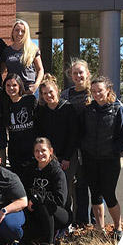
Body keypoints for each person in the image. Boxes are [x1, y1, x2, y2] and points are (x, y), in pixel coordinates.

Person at [79, 76, 123, 241]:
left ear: (108, 91)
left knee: (109, 195)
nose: (96, 94)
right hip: (90, 160)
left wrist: (114, 148)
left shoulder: (117, 110)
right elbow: (80, 132)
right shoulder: (87, 111)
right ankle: (100, 229)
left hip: (109, 160)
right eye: (93, 91)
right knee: (95, 195)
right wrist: (85, 147)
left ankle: (117, 228)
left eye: (100, 91)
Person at [35, 74, 78, 219]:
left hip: (67, 157)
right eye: (45, 93)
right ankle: (56, 222)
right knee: (52, 190)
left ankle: (69, 221)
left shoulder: (68, 108)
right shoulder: (41, 111)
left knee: (66, 190)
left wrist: (66, 158)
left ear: (57, 90)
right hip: (49, 158)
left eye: (50, 92)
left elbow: (73, 136)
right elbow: (41, 135)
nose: (48, 96)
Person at [20, 138, 71, 245]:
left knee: (44, 203)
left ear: (51, 151)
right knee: (26, 235)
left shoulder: (57, 172)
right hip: (37, 214)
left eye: (43, 150)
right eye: (37, 151)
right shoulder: (30, 169)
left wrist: (38, 198)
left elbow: (60, 200)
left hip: (59, 214)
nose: (40, 153)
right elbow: (24, 191)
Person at [60, 58, 92, 227]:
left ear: (87, 73)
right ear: (71, 76)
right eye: (75, 73)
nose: (78, 75)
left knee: (87, 183)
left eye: (81, 72)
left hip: (91, 147)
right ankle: (72, 221)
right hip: (71, 147)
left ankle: (88, 220)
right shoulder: (66, 95)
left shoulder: (93, 92)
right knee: (73, 182)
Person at [3, 73, 38, 180]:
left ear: (20, 86)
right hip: (15, 150)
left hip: (31, 149)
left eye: (14, 85)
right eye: (8, 85)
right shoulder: (5, 105)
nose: (11, 88)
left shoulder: (30, 100)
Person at [1, 19, 44, 94]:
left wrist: (36, 85)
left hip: (29, 89)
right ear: (13, 32)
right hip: (12, 89)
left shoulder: (33, 49)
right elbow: (1, 71)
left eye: (23, 31)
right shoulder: (6, 50)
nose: (19, 33)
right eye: (17, 30)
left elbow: (40, 70)